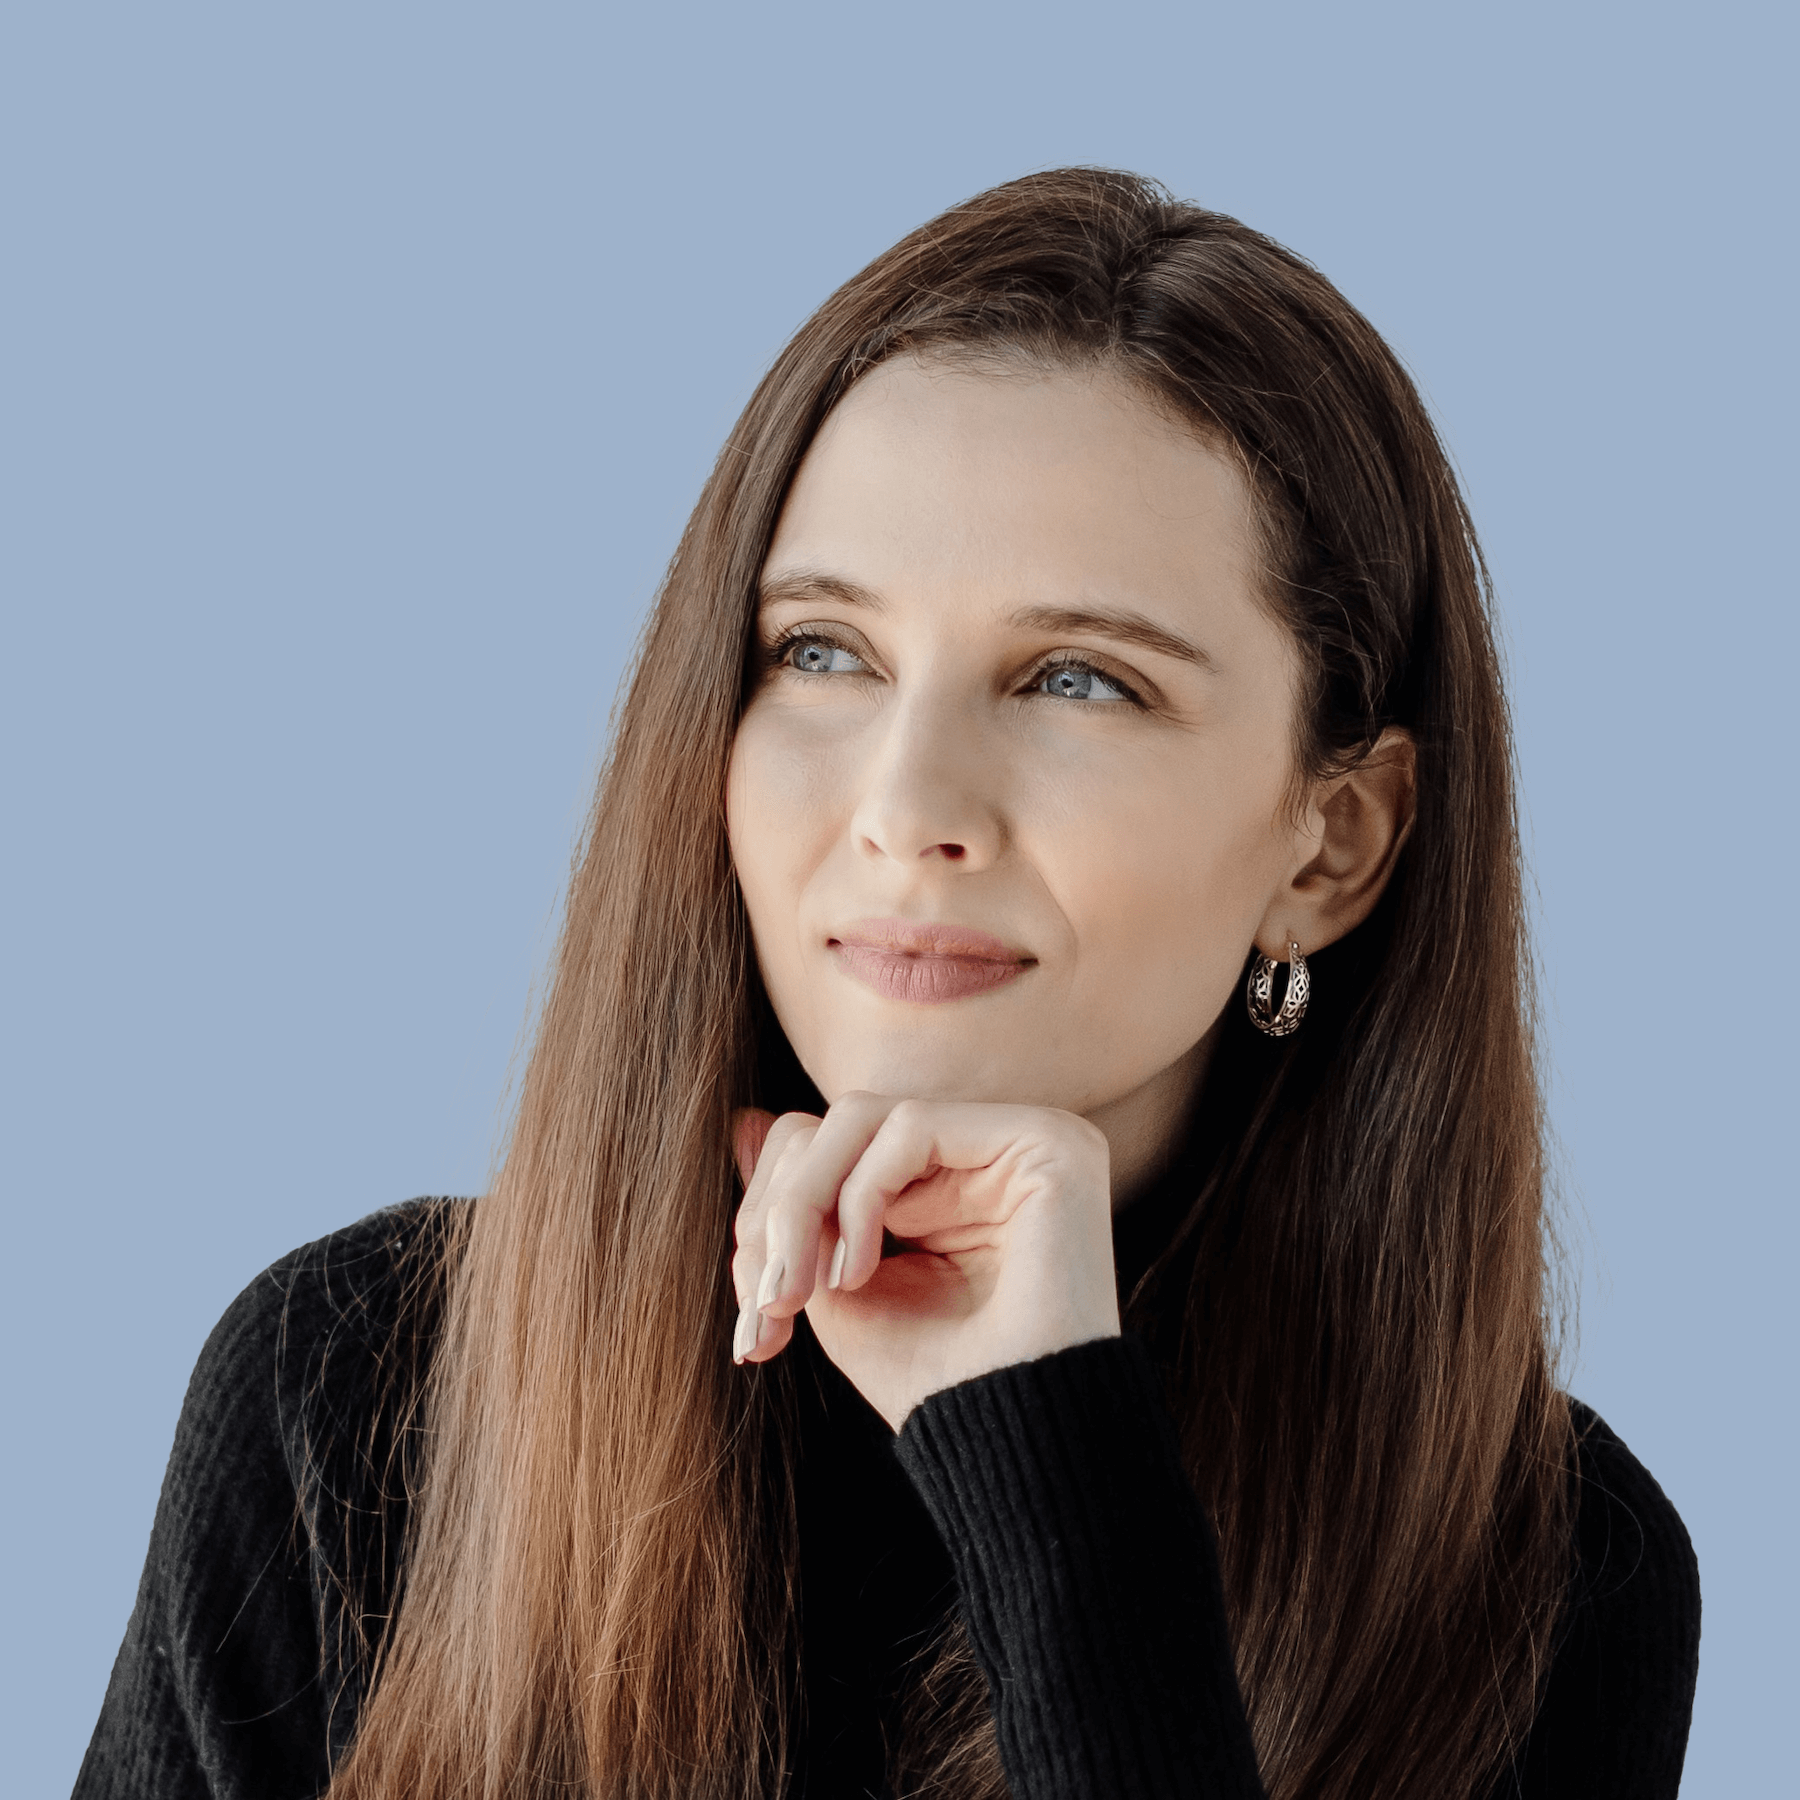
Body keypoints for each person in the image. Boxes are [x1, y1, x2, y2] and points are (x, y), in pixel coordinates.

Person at [76, 168, 1699, 1800]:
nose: (910, 807)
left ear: (1330, 845)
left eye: (1081, 680)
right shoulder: (348, 1401)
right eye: (823, 652)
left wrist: (1049, 1451)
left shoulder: (1544, 1577)